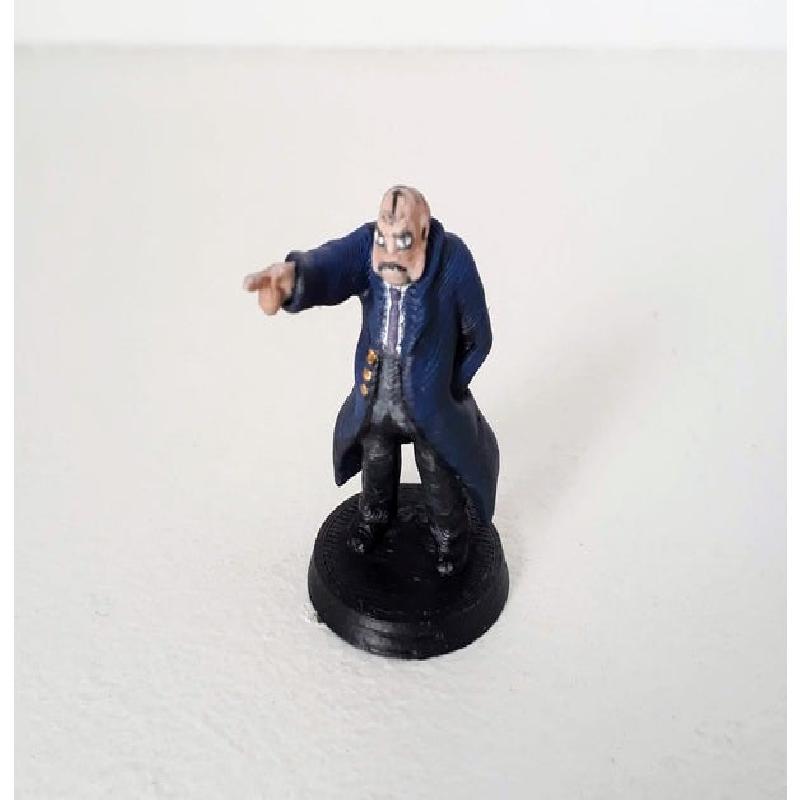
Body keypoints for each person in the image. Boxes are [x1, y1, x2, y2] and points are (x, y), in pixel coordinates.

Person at [244, 186, 498, 575]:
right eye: (384, 239)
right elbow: (330, 267)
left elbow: (478, 336)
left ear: (424, 232)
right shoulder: (366, 250)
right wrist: (292, 278)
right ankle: (374, 520)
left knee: (437, 471)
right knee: (376, 461)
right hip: (377, 391)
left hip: (429, 403)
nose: (390, 253)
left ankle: (450, 538)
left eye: (404, 241)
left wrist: (450, 386)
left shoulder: (452, 261)